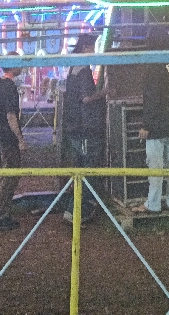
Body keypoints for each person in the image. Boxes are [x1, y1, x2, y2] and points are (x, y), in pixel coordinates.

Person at [133, 26, 169, 214]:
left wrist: (146, 125)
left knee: (155, 168)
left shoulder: (154, 67)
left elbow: (153, 98)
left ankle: (153, 204)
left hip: (156, 127)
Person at [62, 34, 107, 224]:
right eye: (93, 47)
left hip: (73, 125)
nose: (94, 51)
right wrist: (104, 92)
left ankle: (75, 206)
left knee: (80, 166)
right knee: (89, 168)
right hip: (84, 126)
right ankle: (77, 209)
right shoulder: (84, 70)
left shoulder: (73, 67)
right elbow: (87, 97)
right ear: (86, 48)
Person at [0, 67, 26, 231]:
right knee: (10, 175)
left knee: (5, 174)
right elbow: (11, 115)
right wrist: (20, 139)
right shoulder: (10, 87)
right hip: (8, 136)